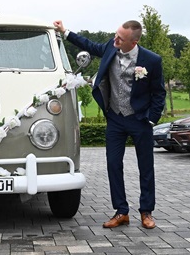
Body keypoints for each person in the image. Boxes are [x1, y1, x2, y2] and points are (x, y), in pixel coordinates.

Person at [53, 20, 166, 229]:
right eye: (116, 35)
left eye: (120, 38)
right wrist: (64, 31)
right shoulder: (110, 47)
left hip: (140, 120)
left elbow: (159, 92)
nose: (115, 39)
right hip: (115, 117)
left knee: (146, 167)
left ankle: (146, 212)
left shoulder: (151, 60)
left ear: (134, 42)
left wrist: (151, 118)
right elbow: (87, 44)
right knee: (113, 164)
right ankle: (121, 211)